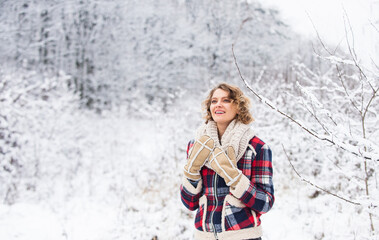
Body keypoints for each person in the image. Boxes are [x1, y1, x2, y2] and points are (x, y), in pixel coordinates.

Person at [180, 83, 274, 240]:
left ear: (238, 106)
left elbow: (265, 203)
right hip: (204, 236)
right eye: (214, 101)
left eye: (226, 100)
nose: (218, 104)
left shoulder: (256, 147)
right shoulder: (196, 145)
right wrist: (191, 172)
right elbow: (190, 204)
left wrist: (235, 178)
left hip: (243, 236)